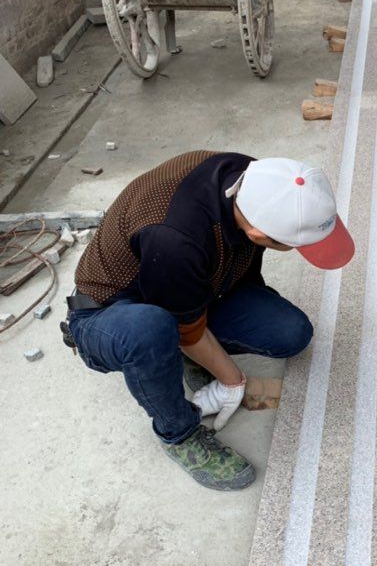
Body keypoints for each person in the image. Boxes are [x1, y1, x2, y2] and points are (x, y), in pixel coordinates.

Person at [65, 152, 354, 491]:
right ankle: (178, 434)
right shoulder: (176, 237)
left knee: (291, 332)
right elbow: (185, 328)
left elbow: (239, 268)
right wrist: (232, 381)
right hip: (109, 311)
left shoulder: (256, 182)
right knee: (151, 331)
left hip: (180, 286)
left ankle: (185, 345)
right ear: (259, 234)